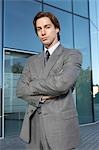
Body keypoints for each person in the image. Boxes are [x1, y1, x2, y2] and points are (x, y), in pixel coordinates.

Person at [16, 11, 82, 150]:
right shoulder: (31, 61)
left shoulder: (72, 55)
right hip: (33, 127)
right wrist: (40, 98)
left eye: (47, 27)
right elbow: (20, 90)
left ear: (57, 28)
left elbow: (62, 84)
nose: (43, 32)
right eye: (39, 29)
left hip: (60, 128)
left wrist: (32, 85)